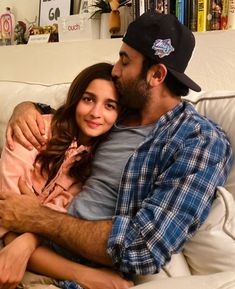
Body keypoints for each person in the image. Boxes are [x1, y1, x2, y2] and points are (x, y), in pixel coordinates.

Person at [0, 11, 233, 289]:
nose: (115, 70)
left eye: (125, 61)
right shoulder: (118, 112)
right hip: (29, 240)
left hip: (69, 266)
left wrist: (36, 220)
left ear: (156, 74)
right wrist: (25, 108)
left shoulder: (198, 142)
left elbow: (141, 248)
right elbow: (69, 114)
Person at [0, 62, 133, 289]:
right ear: (75, 100)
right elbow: (6, 212)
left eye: (110, 105)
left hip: (46, 252)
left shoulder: (104, 162)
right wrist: (90, 277)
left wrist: (30, 238)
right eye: (88, 99)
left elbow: (63, 224)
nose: (96, 113)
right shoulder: (34, 129)